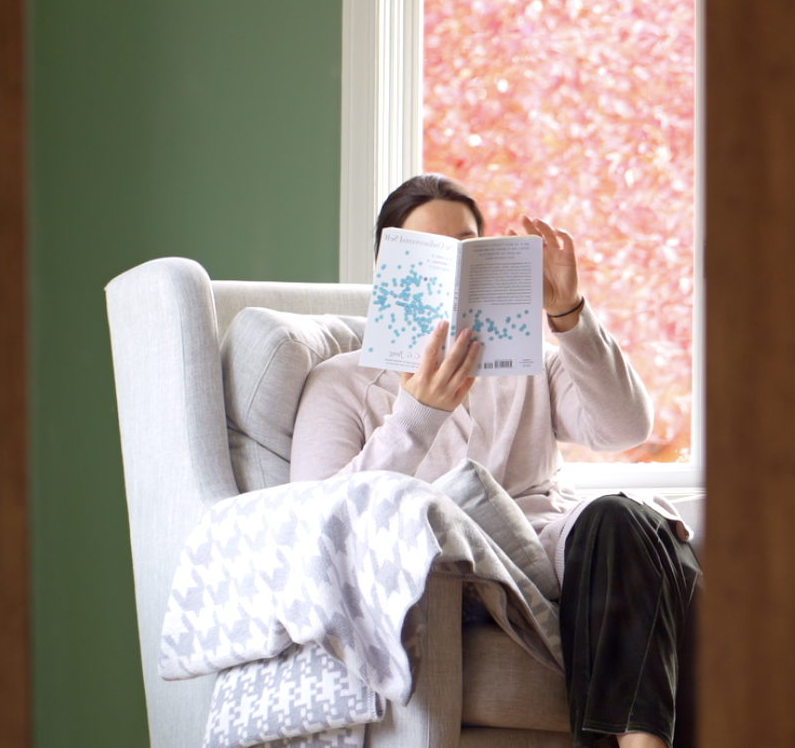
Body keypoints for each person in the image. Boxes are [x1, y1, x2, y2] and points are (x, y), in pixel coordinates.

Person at [290, 173, 698, 748]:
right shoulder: (340, 382)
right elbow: (313, 519)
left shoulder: (531, 361)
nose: (452, 274)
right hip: (454, 581)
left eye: (466, 250)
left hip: (562, 565)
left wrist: (571, 317)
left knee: (622, 517)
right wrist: (416, 415)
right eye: (431, 254)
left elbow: (625, 427)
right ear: (388, 271)